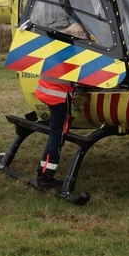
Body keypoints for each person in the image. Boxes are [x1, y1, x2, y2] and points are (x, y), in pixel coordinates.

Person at [34, 22, 88, 189]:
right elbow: (81, 77)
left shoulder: (56, 45)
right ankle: (45, 175)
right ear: (79, 36)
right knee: (57, 137)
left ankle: (45, 171)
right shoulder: (73, 51)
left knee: (56, 131)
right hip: (59, 98)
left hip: (44, 92)